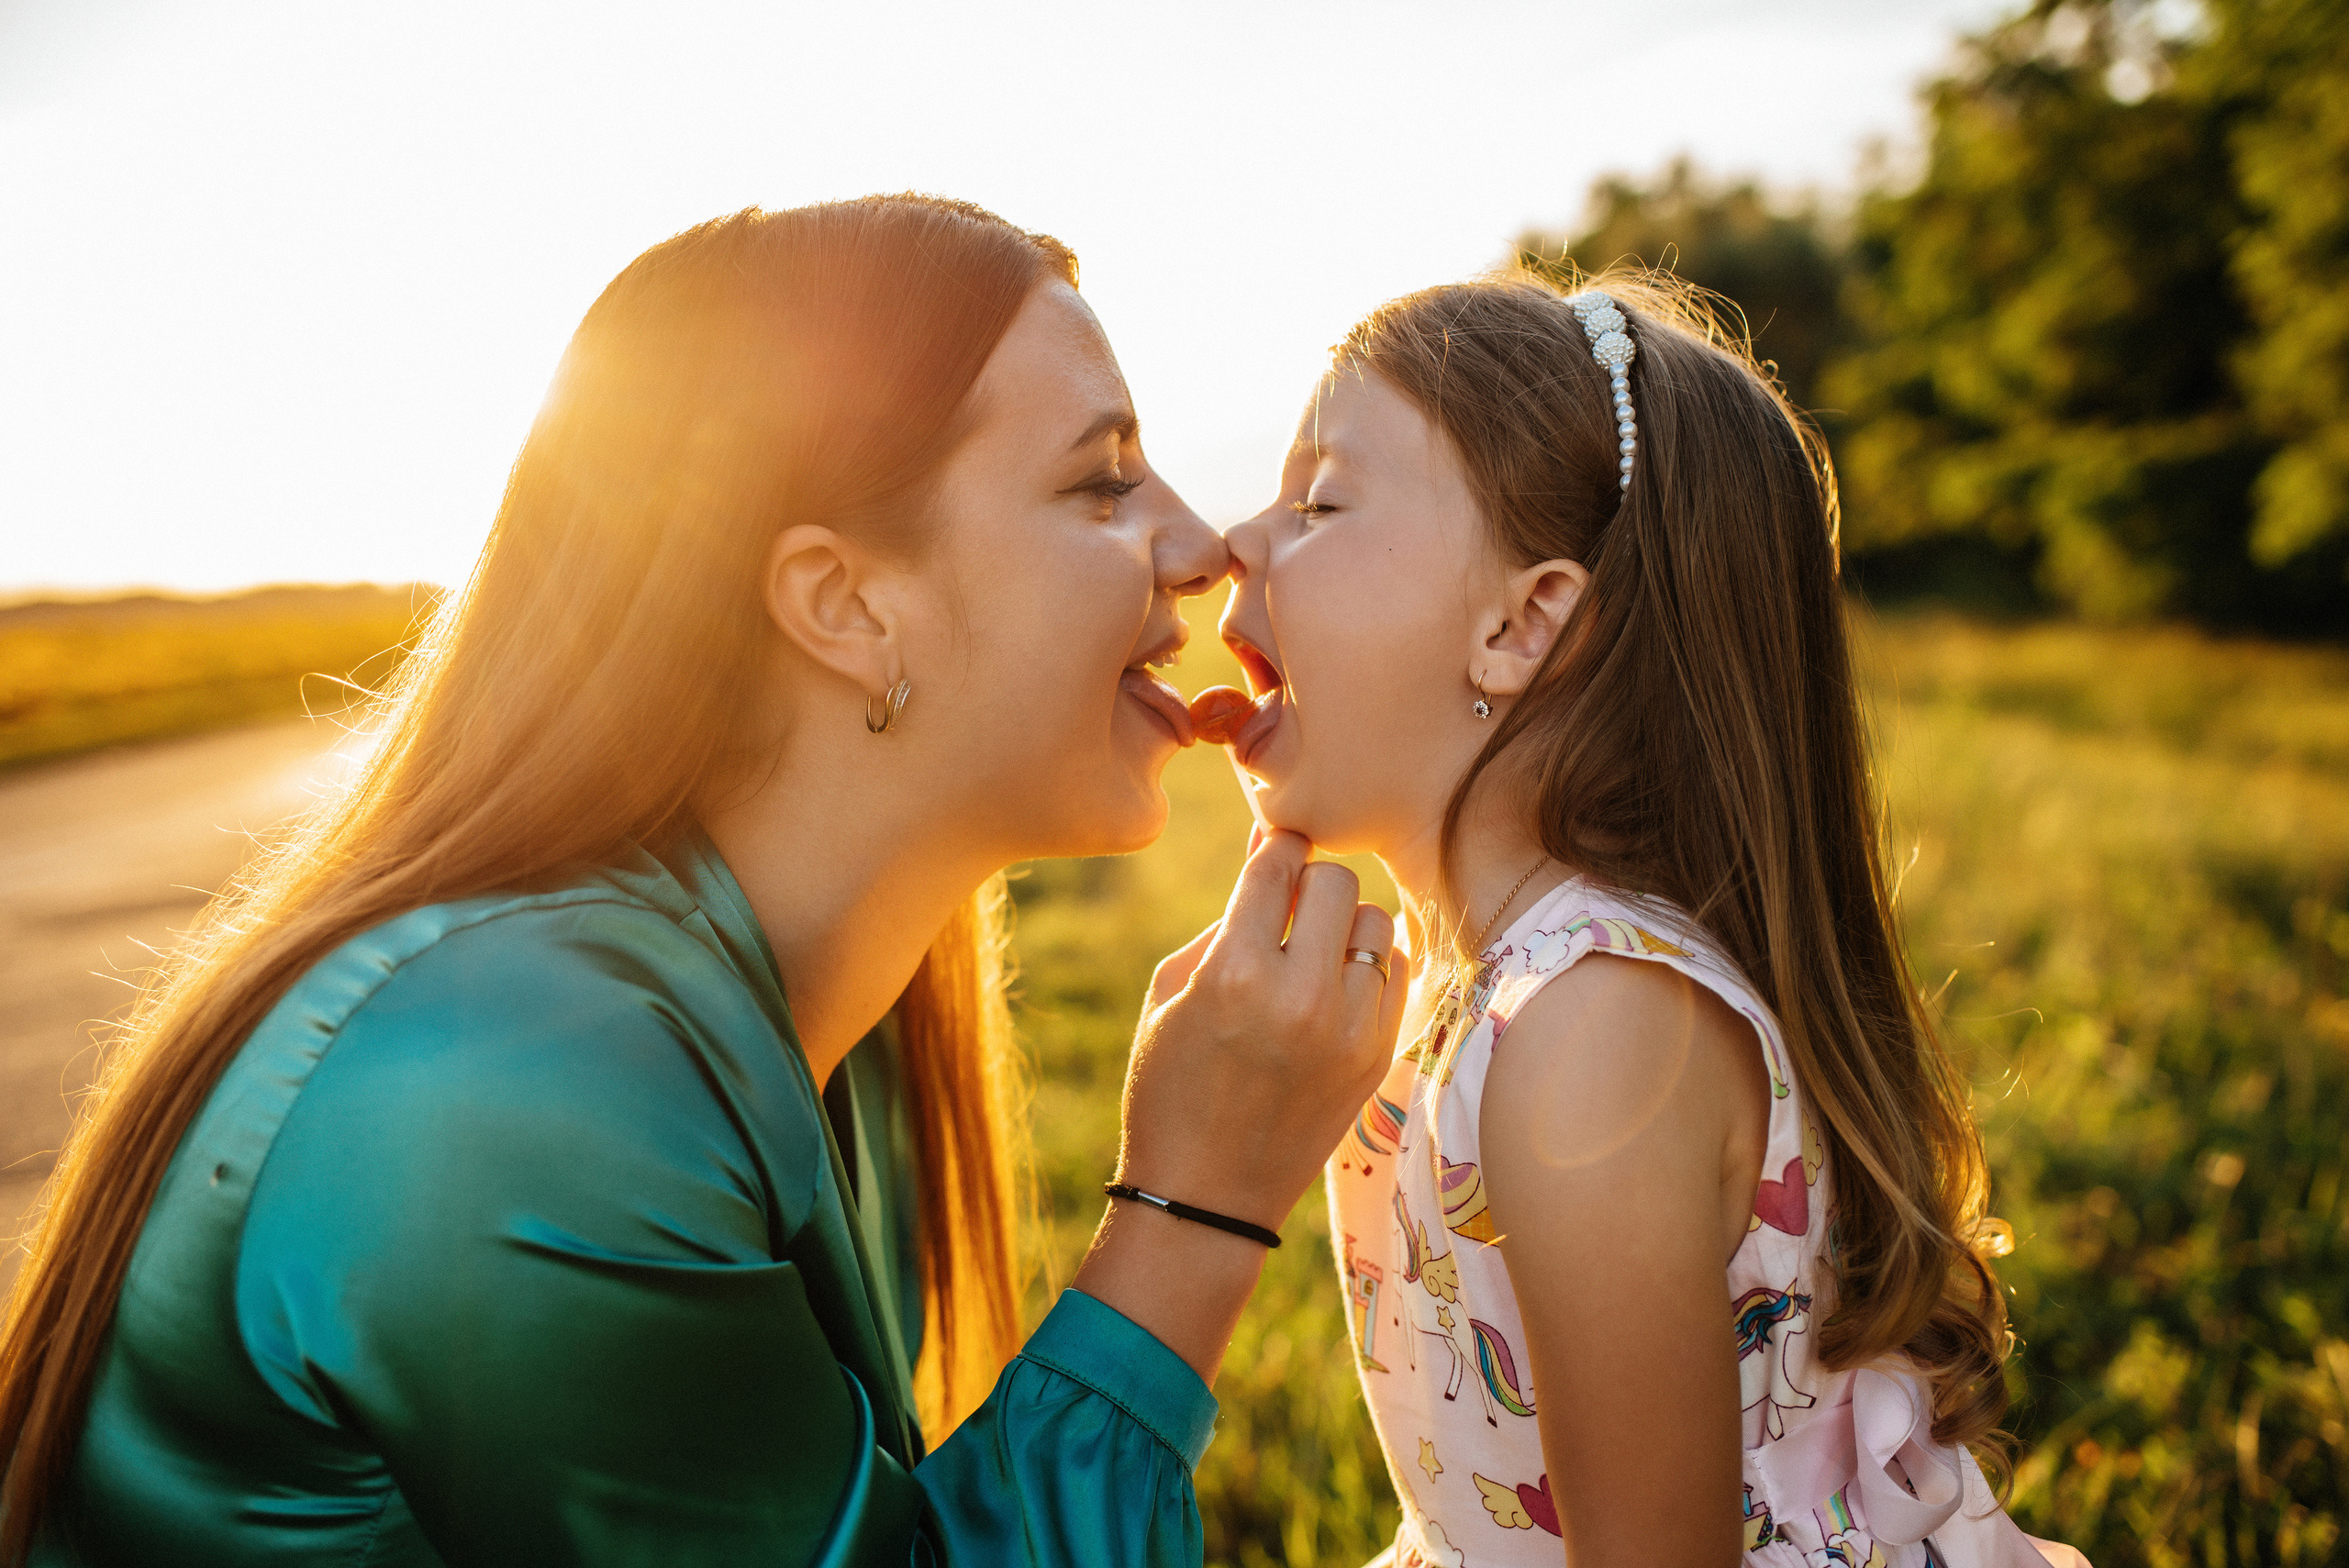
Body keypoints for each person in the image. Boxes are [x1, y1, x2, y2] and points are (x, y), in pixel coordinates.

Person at [0, 196, 1408, 1566]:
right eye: (1102, 476)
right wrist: (1197, 1200)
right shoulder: (509, 1088)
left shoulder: (818, 1012)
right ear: (843, 604)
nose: (1201, 540)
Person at [1209, 273, 2087, 1568]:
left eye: (1321, 500)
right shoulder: (1506, 988)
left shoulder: (1593, 1033)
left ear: (1522, 622)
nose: (1237, 538)